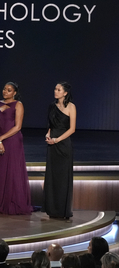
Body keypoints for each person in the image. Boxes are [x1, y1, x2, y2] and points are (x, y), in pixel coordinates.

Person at [0, 82, 31, 215]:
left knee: (13, 171)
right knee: (1, 172)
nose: (5, 91)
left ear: (14, 93)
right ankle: (0, 201)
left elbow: (17, 127)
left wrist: (1, 138)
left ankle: (13, 202)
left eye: (9, 90)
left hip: (12, 141)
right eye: (4, 89)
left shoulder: (18, 105)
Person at [43, 82, 76, 220]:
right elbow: (51, 125)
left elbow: (72, 129)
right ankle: (52, 209)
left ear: (65, 93)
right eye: (55, 89)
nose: (55, 91)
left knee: (62, 178)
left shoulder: (71, 106)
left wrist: (57, 140)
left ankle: (62, 210)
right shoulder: (52, 106)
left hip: (63, 145)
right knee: (52, 177)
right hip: (52, 145)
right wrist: (48, 133)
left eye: (58, 89)